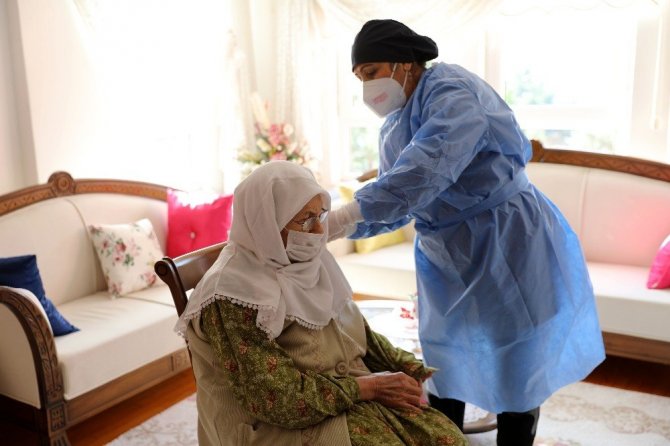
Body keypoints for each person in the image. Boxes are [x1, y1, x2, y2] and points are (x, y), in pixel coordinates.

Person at [329, 18, 606, 446]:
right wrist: (339, 227)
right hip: (445, 251)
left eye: (371, 71)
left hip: (505, 239)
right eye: (360, 78)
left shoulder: (453, 92)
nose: (367, 87)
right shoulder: (395, 125)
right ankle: (446, 439)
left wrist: (345, 215)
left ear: (405, 63)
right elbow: (400, 201)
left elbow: (425, 169)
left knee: (516, 360)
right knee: (445, 360)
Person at [175, 161, 466, 446]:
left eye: (321, 216)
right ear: (267, 223)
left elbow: (356, 333)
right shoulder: (233, 295)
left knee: (447, 437)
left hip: (338, 395)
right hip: (271, 425)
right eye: (305, 220)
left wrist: (407, 367)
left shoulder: (308, 262)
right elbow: (276, 400)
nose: (318, 232)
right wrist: (370, 387)